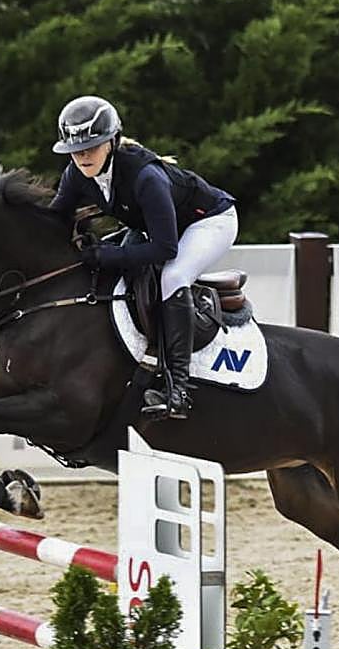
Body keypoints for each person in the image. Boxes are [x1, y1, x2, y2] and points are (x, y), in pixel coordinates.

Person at [48, 95, 238, 419]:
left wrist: (107, 255)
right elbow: (55, 220)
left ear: (112, 142)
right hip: (157, 229)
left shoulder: (146, 177)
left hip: (209, 221)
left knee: (173, 276)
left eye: (91, 146)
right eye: (75, 150)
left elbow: (165, 249)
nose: (82, 156)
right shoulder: (75, 174)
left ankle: (178, 389)